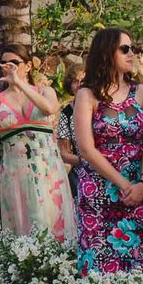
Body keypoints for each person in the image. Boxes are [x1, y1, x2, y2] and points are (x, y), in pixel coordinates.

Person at [72, 28, 143, 275]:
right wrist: (123, 184)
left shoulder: (140, 92)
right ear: (106, 52)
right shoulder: (86, 94)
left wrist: (142, 182)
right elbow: (86, 149)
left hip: (140, 189)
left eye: (133, 48)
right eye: (125, 49)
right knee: (101, 264)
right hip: (100, 192)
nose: (132, 54)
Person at [0, 45, 76, 242]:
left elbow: (50, 108)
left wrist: (19, 83)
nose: (8, 67)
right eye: (3, 63)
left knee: (52, 222)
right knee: (22, 227)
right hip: (15, 172)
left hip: (47, 169)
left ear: (27, 66)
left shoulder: (45, 91)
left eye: (14, 63)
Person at [56, 64, 86, 192]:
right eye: (75, 81)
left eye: (84, 81)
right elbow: (64, 153)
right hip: (81, 173)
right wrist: (85, 161)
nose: (79, 85)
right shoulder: (67, 113)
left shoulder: (102, 108)